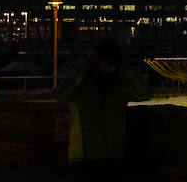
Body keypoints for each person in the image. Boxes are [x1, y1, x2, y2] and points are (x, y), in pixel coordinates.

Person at [53, 39, 152, 177]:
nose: (111, 69)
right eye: (108, 63)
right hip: (83, 159)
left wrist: (129, 69)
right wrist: (81, 71)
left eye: (114, 64)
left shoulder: (119, 87)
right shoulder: (82, 87)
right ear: (97, 61)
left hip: (111, 159)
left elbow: (145, 94)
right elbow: (59, 95)